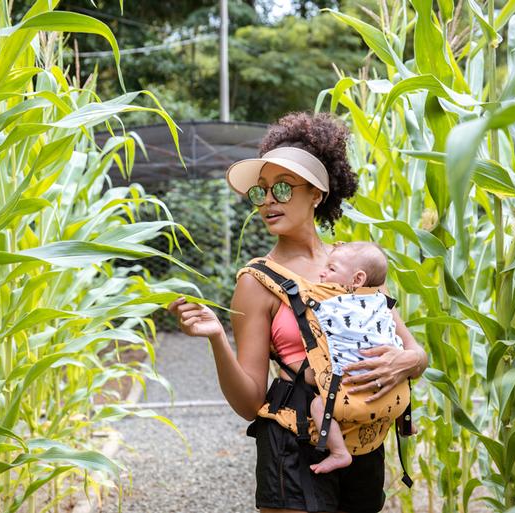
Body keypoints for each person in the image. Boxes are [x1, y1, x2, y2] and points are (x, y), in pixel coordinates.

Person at [169, 112, 428, 513]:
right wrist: (218, 338)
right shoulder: (256, 281)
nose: (269, 201)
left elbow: (413, 352)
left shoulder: (356, 263)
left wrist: (407, 360)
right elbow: (248, 401)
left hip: (364, 443)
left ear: (317, 194)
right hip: (294, 444)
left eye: (283, 189)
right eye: (261, 192)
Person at [309, 241, 402, 474]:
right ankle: (405, 421)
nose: (322, 272)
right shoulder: (380, 302)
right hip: (387, 381)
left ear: (357, 279)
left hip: (351, 383)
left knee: (319, 406)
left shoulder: (332, 304)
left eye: (331, 269)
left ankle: (339, 452)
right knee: (399, 389)